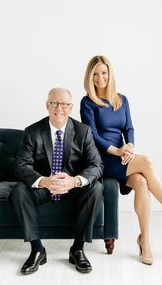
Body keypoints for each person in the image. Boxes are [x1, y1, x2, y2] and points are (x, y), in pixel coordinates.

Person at [80, 55, 162, 266]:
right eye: (96, 74)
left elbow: (129, 128)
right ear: (90, 77)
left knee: (143, 183)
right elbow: (92, 135)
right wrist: (118, 151)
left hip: (122, 155)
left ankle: (145, 241)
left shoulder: (121, 99)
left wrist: (130, 147)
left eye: (104, 72)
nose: (100, 78)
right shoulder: (87, 102)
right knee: (148, 163)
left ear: (110, 74)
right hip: (104, 158)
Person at [11, 87, 103, 275]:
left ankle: (77, 249)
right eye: (54, 103)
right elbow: (21, 165)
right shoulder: (33, 131)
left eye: (64, 104)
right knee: (20, 190)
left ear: (71, 107)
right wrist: (44, 181)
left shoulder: (83, 131)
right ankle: (37, 249)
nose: (59, 108)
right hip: (45, 186)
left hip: (71, 186)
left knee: (96, 188)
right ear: (47, 105)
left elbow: (97, 165)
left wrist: (75, 181)